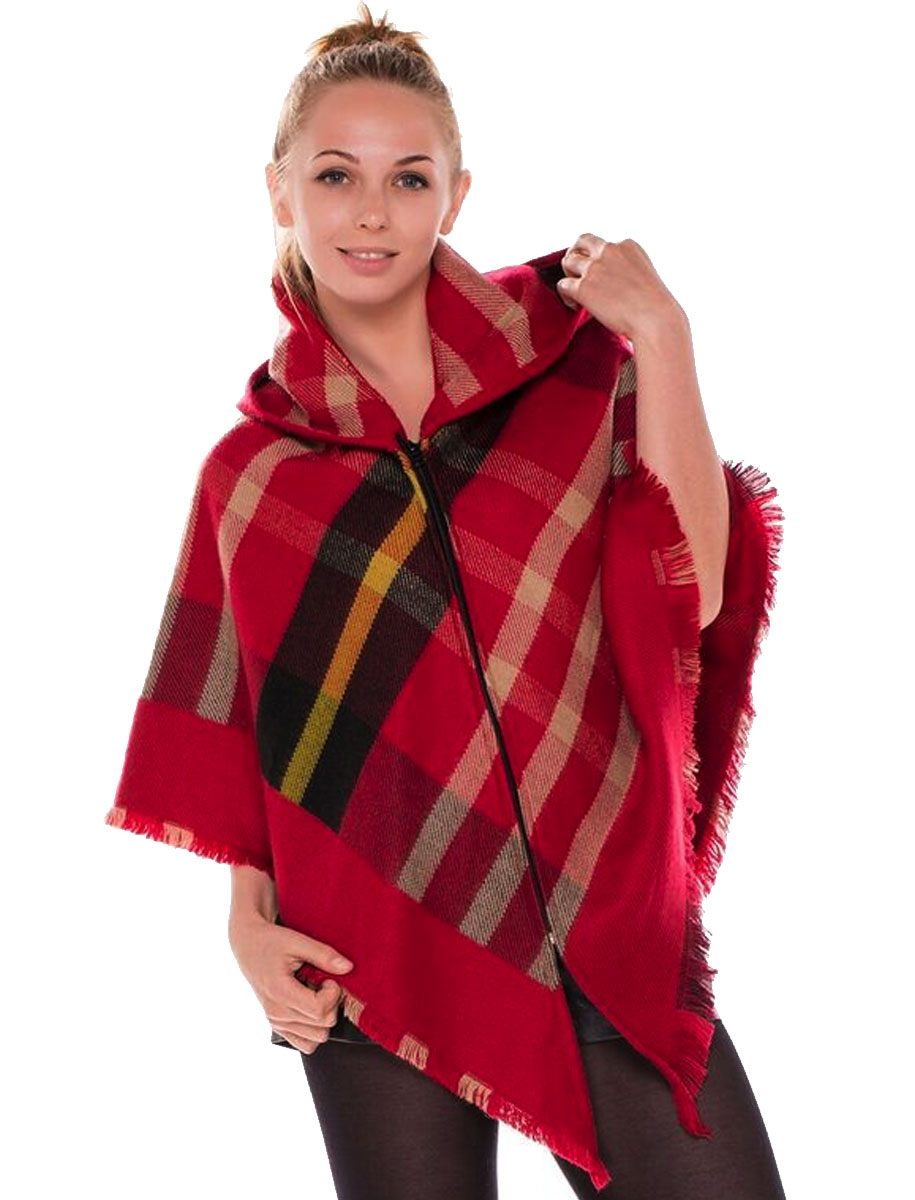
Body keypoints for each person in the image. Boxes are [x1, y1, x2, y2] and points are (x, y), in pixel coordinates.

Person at [106, 4, 787, 1196]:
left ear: (456, 197)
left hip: (601, 921)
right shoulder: (252, 475)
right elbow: (254, 738)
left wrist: (665, 335)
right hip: (372, 942)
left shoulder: (574, 364)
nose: (372, 212)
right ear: (279, 192)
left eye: (408, 178)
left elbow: (698, 586)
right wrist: (246, 924)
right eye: (336, 175)